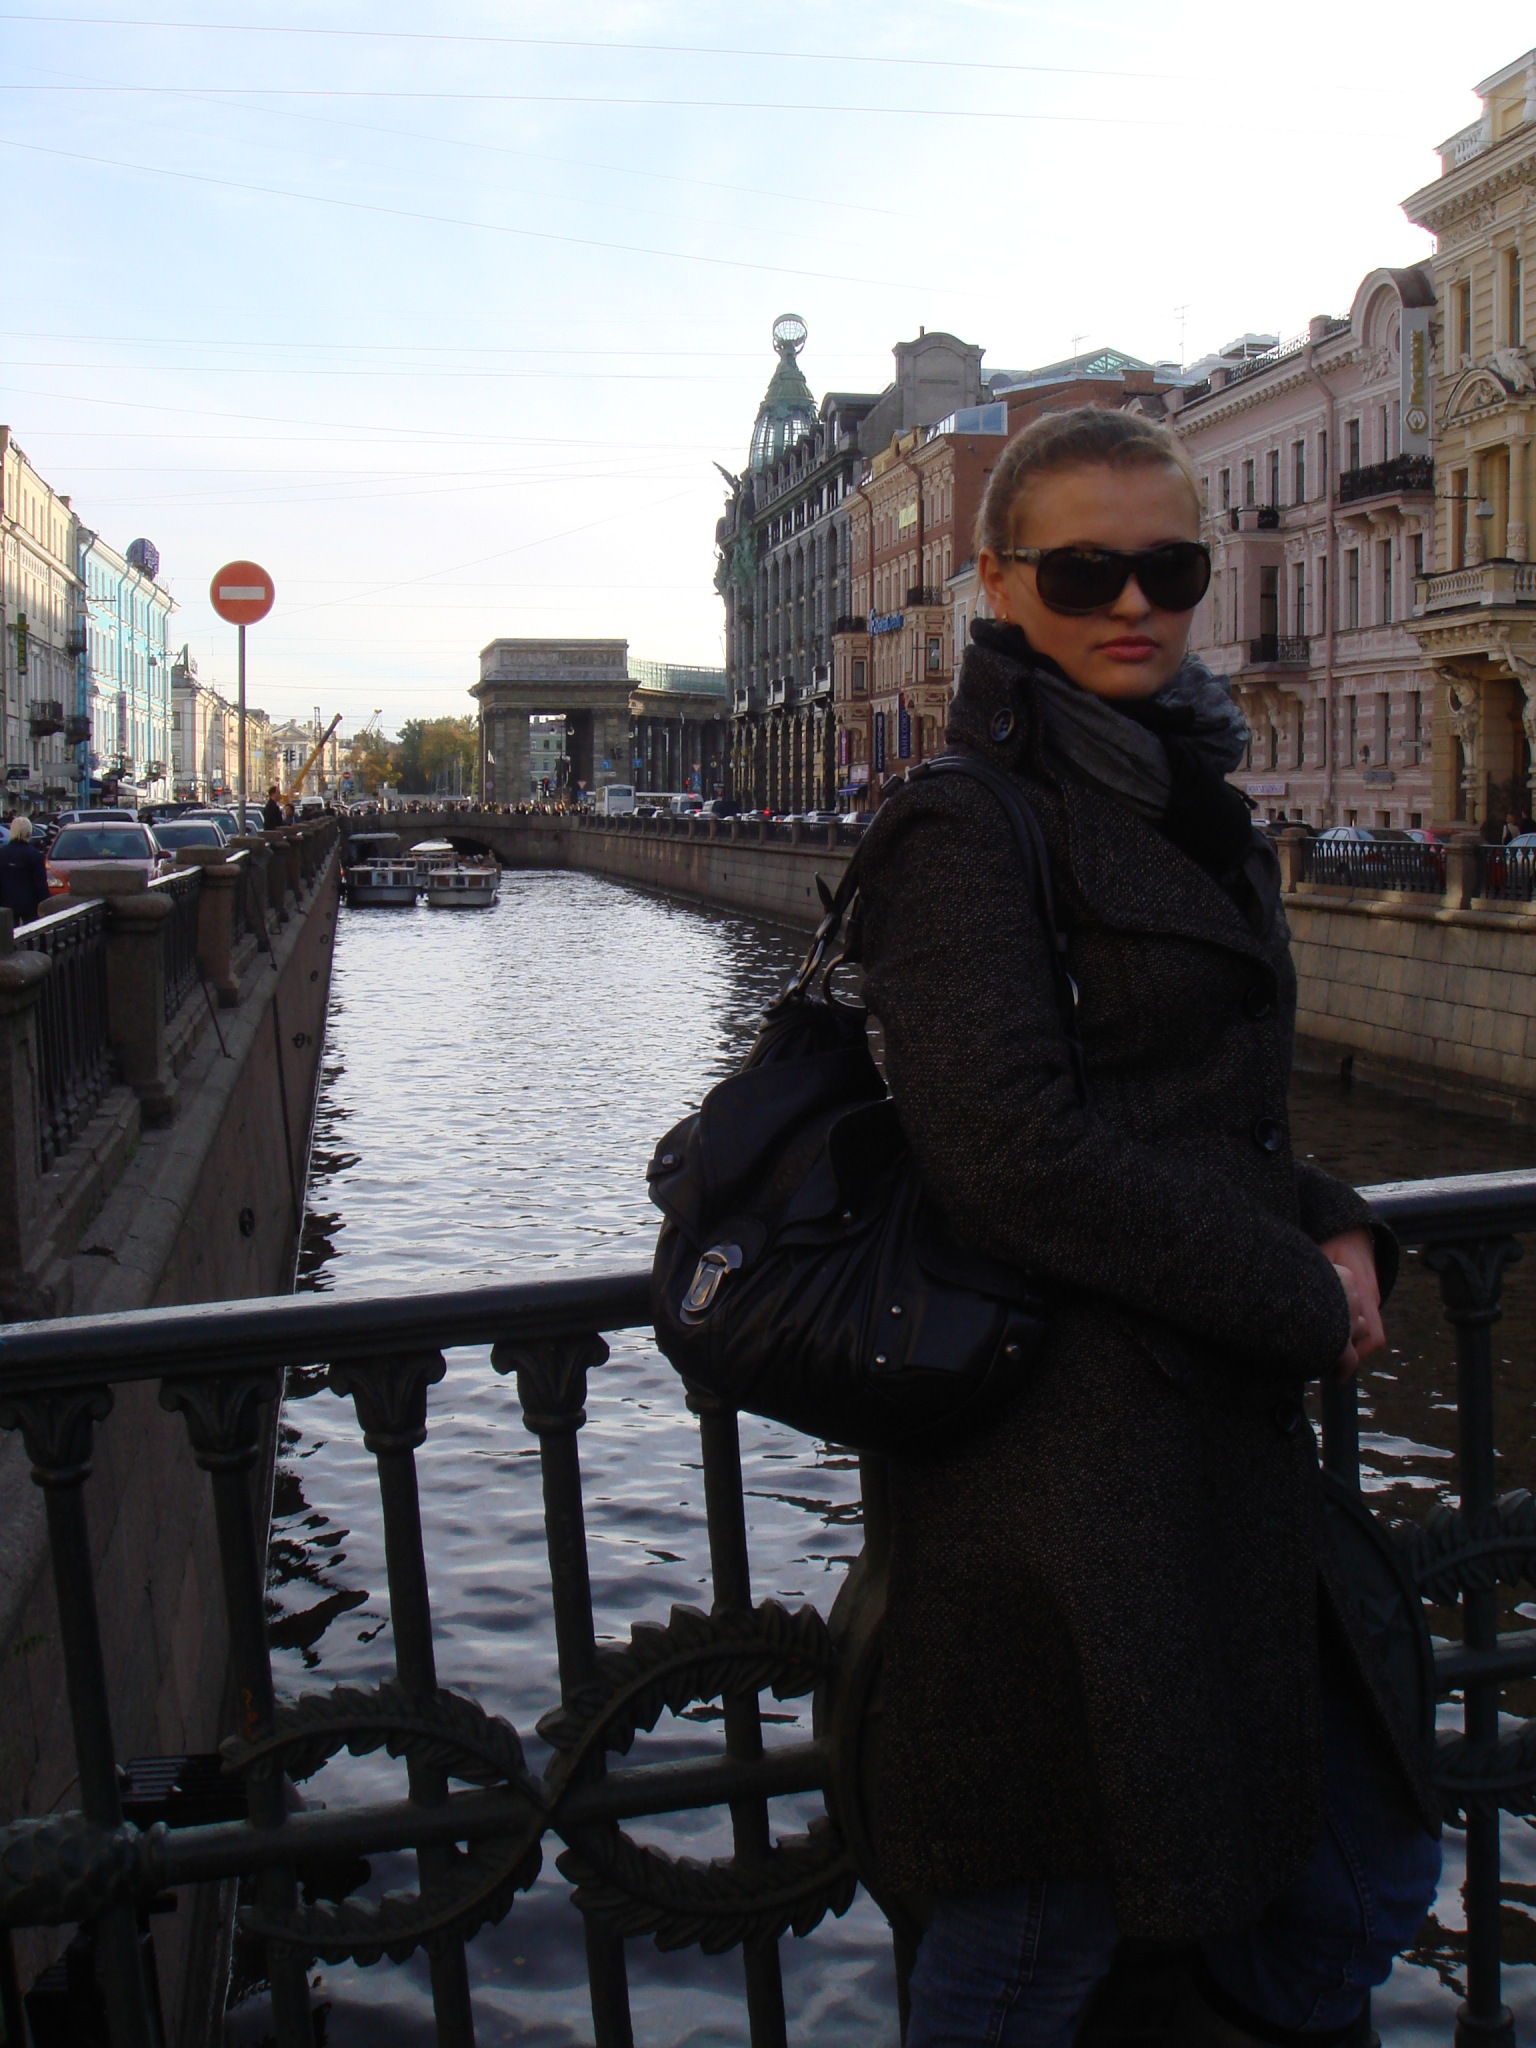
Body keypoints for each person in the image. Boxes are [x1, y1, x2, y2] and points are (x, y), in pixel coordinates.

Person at [854, 408, 1439, 2048]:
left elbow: (1207, 1108)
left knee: (1343, 1871)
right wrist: (1290, 1293)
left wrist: (1332, 1219)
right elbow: (1010, 1150)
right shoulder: (964, 820)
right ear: (998, 583)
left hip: (1199, 1450)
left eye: (1169, 567)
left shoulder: (1184, 792)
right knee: (1035, 1914)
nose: (1133, 601)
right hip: (1051, 1476)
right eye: (1083, 571)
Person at [0, 815, 52, 927]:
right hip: (30, 905)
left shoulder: (2, 854)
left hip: (5, 904)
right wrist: (46, 904)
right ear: (29, 833)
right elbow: (40, 884)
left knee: (8, 934)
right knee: (31, 933)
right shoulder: (35, 855)